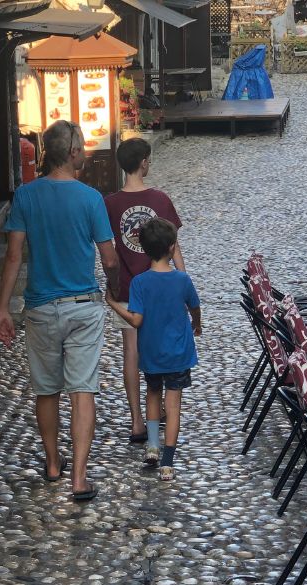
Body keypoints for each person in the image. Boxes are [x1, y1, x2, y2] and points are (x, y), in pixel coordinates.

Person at [0, 120, 120, 502]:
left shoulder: (26, 196)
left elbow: (14, 255)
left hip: (40, 309)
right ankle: (79, 479)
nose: (84, 151)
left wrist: (3, 308)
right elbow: (109, 258)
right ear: (72, 152)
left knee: (46, 390)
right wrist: (117, 287)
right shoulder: (90, 199)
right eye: (81, 146)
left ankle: (53, 463)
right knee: (83, 391)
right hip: (82, 307)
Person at [106, 218, 201, 482]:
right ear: (172, 247)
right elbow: (194, 307)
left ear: (144, 250)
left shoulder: (139, 282)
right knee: (173, 405)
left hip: (150, 353)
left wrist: (112, 303)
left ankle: (152, 446)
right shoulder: (182, 280)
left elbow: (136, 320)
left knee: (152, 395)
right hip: (178, 354)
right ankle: (168, 463)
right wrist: (197, 324)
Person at [103, 137, 185, 444]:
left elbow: (107, 249)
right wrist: (182, 278)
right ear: (143, 163)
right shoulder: (160, 200)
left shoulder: (109, 204)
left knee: (131, 353)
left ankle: (137, 420)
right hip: (161, 286)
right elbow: (174, 244)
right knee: (161, 346)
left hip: (127, 287)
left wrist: (112, 286)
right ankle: (161, 407)